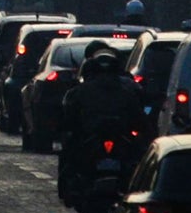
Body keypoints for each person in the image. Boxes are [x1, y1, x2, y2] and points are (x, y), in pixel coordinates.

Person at [58, 51, 140, 200]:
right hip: (94, 141)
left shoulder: (79, 92)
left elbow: (67, 120)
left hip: (114, 141)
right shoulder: (127, 92)